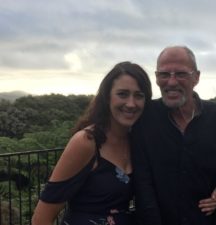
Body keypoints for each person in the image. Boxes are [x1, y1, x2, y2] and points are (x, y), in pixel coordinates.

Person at [31, 61, 152, 225]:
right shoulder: (86, 142)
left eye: (139, 95)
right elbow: (42, 217)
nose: (131, 103)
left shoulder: (136, 141)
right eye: (122, 94)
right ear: (107, 97)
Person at [131, 46, 216, 225]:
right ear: (157, 78)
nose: (172, 82)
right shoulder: (145, 117)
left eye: (181, 74)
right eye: (164, 74)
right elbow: (143, 185)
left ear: (196, 77)